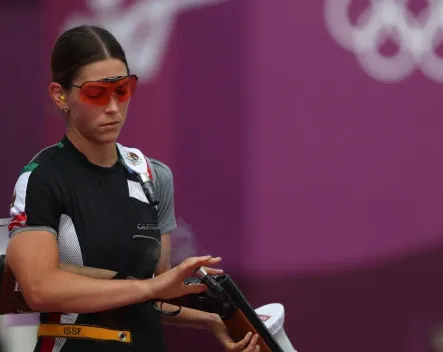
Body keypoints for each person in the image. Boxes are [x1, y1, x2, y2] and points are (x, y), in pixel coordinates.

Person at [6, 25, 260, 352]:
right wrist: (152, 287)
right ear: (60, 95)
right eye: (96, 93)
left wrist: (214, 321)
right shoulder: (41, 179)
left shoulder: (152, 175)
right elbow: (39, 289)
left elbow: (152, 297)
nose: (113, 107)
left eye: (123, 90)